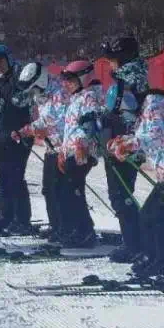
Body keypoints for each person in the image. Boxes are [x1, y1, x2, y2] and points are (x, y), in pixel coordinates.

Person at [107, 89, 164, 282]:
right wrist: (123, 144)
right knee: (147, 215)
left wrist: (129, 145)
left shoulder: (154, 107)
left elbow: (154, 135)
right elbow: (147, 140)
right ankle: (153, 258)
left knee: (157, 215)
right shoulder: (149, 114)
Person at [99, 35, 149, 263]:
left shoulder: (128, 80)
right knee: (120, 195)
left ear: (123, 58)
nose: (109, 63)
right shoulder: (127, 79)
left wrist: (107, 118)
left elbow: (121, 111)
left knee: (121, 195)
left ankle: (135, 245)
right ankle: (135, 241)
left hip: (125, 145)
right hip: (121, 143)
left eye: (112, 58)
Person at [13, 62, 70, 243]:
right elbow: (43, 120)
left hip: (62, 149)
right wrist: (25, 131)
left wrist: (45, 130)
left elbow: (64, 123)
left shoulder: (60, 94)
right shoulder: (41, 95)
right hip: (50, 148)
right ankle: (57, 226)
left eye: (33, 88)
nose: (32, 93)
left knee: (60, 191)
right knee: (48, 190)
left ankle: (66, 228)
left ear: (41, 81)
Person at [0, 44, 35, 235]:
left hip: (20, 131)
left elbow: (23, 99)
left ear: (8, 59)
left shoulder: (21, 75)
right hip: (1, 133)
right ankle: (6, 215)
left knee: (16, 176)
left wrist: (4, 94)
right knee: (3, 176)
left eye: (1, 62)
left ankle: (22, 219)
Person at [56, 60, 104, 248]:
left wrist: (79, 147)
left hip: (83, 152)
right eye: (64, 79)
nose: (65, 83)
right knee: (71, 191)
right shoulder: (77, 98)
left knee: (72, 190)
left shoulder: (89, 98)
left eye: (69, 79)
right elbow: (69, 130)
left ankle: (85, 232)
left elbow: (89, 126)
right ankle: (80, 229)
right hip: (73, 153)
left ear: (83, 78)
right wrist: (62, 151)